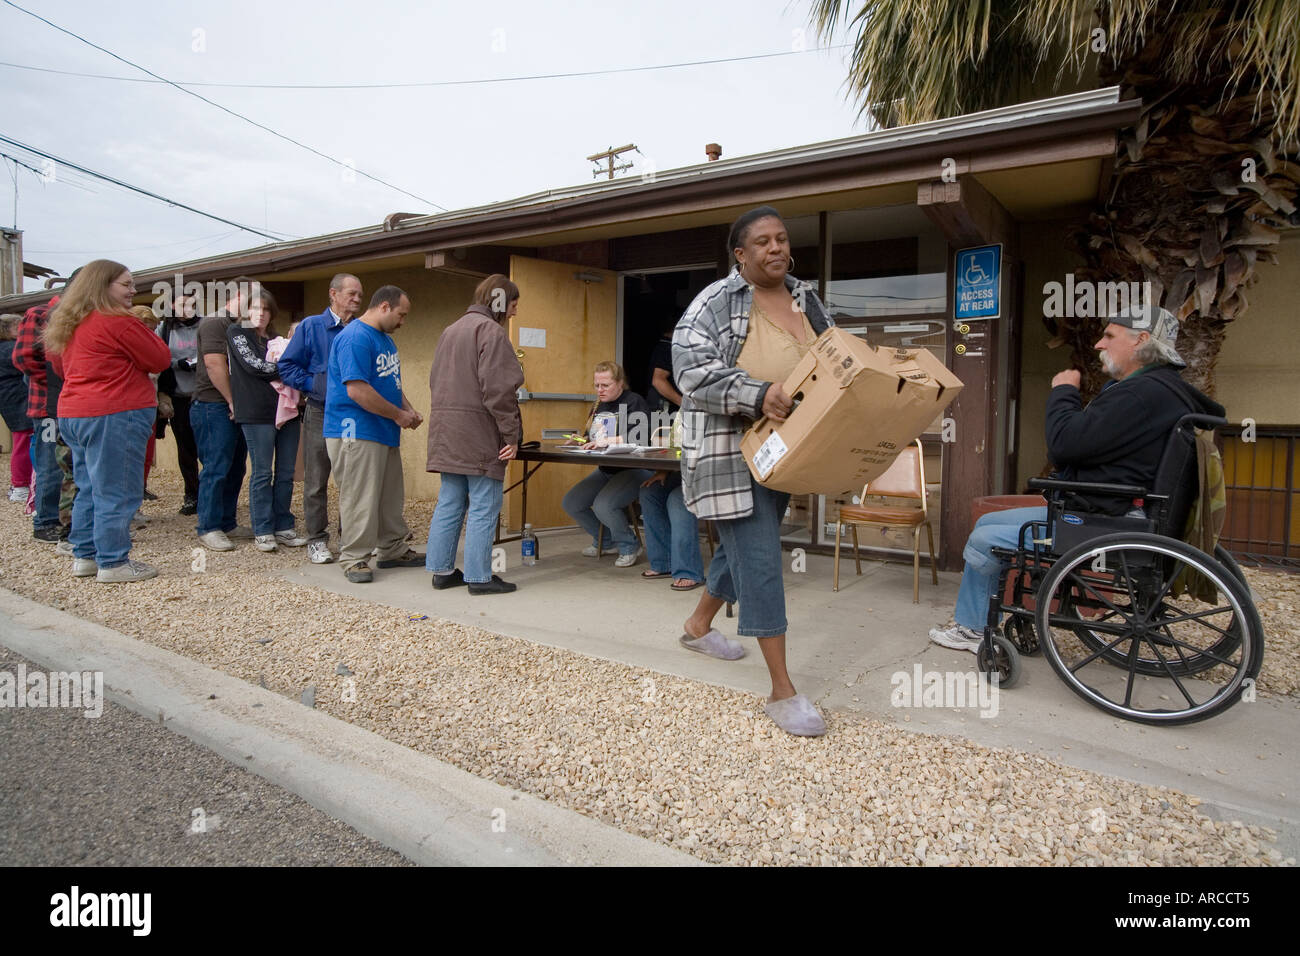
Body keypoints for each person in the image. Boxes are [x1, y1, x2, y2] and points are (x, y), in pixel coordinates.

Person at [928, 304, 1226, 652]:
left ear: (1141, 341)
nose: (1099, 344)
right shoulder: (1162, 391)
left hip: (1099, 520)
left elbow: (1064, 445)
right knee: (990, 521)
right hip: (1117, 511)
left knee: (985, 539)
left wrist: (1063, 391)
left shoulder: (1141, 394)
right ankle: (975, 624)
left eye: (1109, 336)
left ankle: (973, 630)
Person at [674, 205, 832, 737]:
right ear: (740, 255)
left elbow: (834, 357)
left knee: (744, 544)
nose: (776, 249)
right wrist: (757, 393)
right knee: (761, 557)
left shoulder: (806, 298)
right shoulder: (715, 303)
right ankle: (782, 691)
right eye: (762, 242)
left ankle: (699, 627)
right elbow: (690, 369)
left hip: (783, 450)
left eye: (782, 239)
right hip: (728, 453)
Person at [44, 260, 172, 582]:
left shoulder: (71, 322)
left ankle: (85, 556)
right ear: (103, 286)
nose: (133, 290)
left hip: (74, 413)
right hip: (115, 413)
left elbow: (60, 367)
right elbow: (160, 358)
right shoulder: (118, 321)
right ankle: (113, 562)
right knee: (118, 490)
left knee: (88, 486)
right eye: (126, 284)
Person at [424, 274, 523, 595]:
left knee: (450, 501)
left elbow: (435, 380)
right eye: (513, 304)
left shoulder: (450, 330)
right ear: (500, 301)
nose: (515, 312)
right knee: (484, 504)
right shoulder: (491, 332)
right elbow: (499, 390)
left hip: (446, 431)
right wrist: (511, 435)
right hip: (478, 433)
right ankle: (480, 577)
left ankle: (441, 571)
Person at [323, 285, 424, 583]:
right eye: (400, 314)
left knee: (388, 495)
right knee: (360, 495)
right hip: (355, 429)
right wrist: (398, 415)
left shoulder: (385, 341)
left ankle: (391, 548)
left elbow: (389, 383)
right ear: (383, 307)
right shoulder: (355, 338)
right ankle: (354, 558)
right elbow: (356, 389)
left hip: (383, 429)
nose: (403, 321)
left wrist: (408, 409)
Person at [278, 273, 363, 564]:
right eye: (351, 293)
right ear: (333, 294)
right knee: (316, 479)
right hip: (320, 410)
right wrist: (314, 384)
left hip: (353, 414)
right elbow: (287, 365)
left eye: (359, 295)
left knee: (351, 479)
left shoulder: (361, 329)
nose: (356, 299)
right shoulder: (312, 326)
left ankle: (350, 538)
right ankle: (316, 539)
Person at [226, 288, 307, 553]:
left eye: (265, 309)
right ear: (245, 311)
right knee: (262, 473)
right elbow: (253, 366)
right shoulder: (237, 334)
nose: (260, 314)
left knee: (286, 472)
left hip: (288, 411)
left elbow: (297, 363)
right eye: (255, 309)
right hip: (256, 412)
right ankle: (262, 529)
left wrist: (291, 371)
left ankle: (283, 525)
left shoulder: (276, 338)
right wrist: (288, 370)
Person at [561, 362, 654, 567]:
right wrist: (580, 439)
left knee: (605, 506)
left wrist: (607, 441)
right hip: (607, 469)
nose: (600, 390)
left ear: (620, 383)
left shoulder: (634, 402)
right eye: (596, 385)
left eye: (605, 385)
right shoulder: (598, 405)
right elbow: (592, 437)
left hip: (635, 469)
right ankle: (606, 541)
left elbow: (641, 436)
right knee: (572, 503)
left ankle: (629, 545)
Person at [191, 279, 254, 551]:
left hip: (233, 406)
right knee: (216, 467)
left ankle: (227, 521)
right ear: (238, 295)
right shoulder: (215, 323)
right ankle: (208, 527)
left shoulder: (240, 326)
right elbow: (214, 364)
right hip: (213, 404)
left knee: (236, 466)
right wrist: (232, 401)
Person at [11, 296, 68, 542]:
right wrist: (58, 383)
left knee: (66, 464)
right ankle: (45, 521)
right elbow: (23, 358)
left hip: (70, 405)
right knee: (50, 463)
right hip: (46, 407)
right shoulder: (40, 313)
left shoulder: (76, 314)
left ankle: (63, 519)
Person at [156, 291, 202, 515]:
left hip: (204, 395)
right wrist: (177, 363)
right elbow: (156, 356)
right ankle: (192, 495)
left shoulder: (205, 325)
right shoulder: (164, 329)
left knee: (210, 449)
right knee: (186, 449)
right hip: (178, 396)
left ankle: (212, 495)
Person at [638, 470, 704, 590]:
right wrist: (666, 470)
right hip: (681, 471)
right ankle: (663, 563)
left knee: (677, 499)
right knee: (649, 491)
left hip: (706, 474)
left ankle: (689, 571)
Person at [1, 315, 34, 502]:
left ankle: (20, 483)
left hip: (10, 399)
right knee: (23, 441)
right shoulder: (10, 349)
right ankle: (20, 483)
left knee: (21, 440)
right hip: (18, 398)